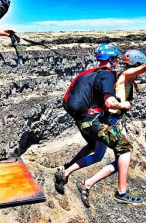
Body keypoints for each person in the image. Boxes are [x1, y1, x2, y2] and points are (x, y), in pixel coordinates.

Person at [75, 39, 146, 207]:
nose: (140, 69)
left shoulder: (124, 77)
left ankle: (78, 178)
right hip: (111, 123)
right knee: (125, 153)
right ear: (136, 64)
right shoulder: (125, 75)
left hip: (110, 121)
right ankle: (120, 192)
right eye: (139, 66)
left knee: (103, 156)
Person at [54, 43, 120, 195]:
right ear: (110, 58)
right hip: (96, 121)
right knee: (99, 155)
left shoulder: (93, 73)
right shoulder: (107, 74)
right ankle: (69, 174)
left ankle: (67, 168)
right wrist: (123, 105)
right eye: (115, 58)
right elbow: (109, 102)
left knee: (91, 145)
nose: (116, 61)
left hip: (81, 119)